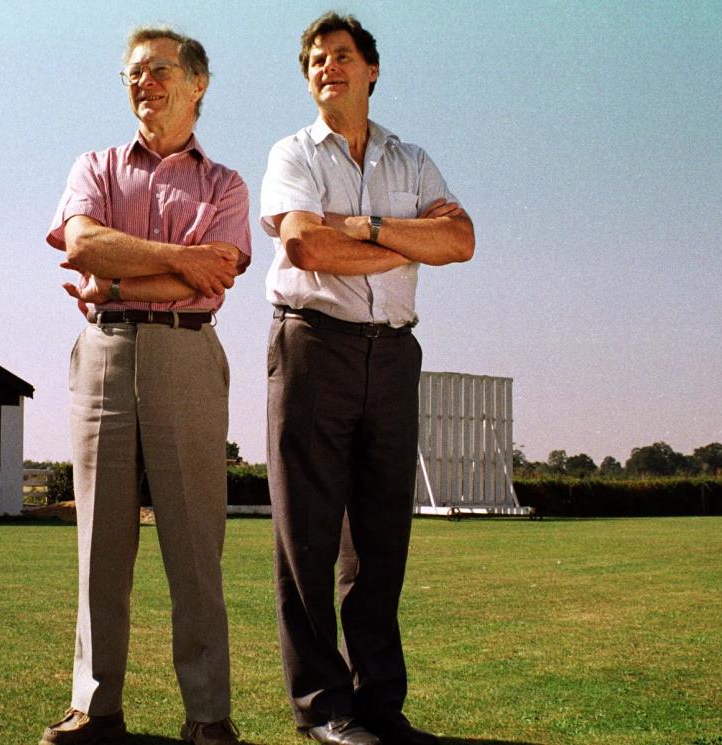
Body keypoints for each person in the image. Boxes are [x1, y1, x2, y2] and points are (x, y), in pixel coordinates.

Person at [259, 12, 475, 745]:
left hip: (392, 353)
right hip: (312, 344)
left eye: (342, 56)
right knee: (308, 538)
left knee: (380, 537)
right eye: (315, 60)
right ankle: (323, 706)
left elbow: (461, 239)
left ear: (372, 70)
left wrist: (367, 228)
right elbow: (304, 244)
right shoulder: (291, 154)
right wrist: (406, 241)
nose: (328, 67)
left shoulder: (411, 159)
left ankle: (380, 703)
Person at [42, 25, 250, 745]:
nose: (143, 81)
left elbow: (217, 270)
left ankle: (207, 714)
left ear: (197, 84)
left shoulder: (224, 183)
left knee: (195, 543)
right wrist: (174, 262)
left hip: (188, 353)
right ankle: (94, 708)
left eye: (159, 69)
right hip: (103, 352)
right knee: (101, 540)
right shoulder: (95, 166)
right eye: (133, 71)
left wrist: (118, 273)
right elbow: (80, 243)